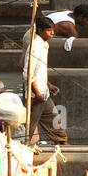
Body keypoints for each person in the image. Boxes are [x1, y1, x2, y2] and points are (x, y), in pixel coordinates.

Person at [24, 13, 67, 144]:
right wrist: (37, 92)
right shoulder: (35, 45)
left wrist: (48, 85)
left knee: (56, 123)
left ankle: (63, 142)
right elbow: (27, 73)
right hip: (36, 96)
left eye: (53, 30)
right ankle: (22, 147)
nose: (52, 33)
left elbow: (39, 71)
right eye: (49, 30)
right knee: (29, 128)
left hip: (44, 92)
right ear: (40, 30)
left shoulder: (44, 44)